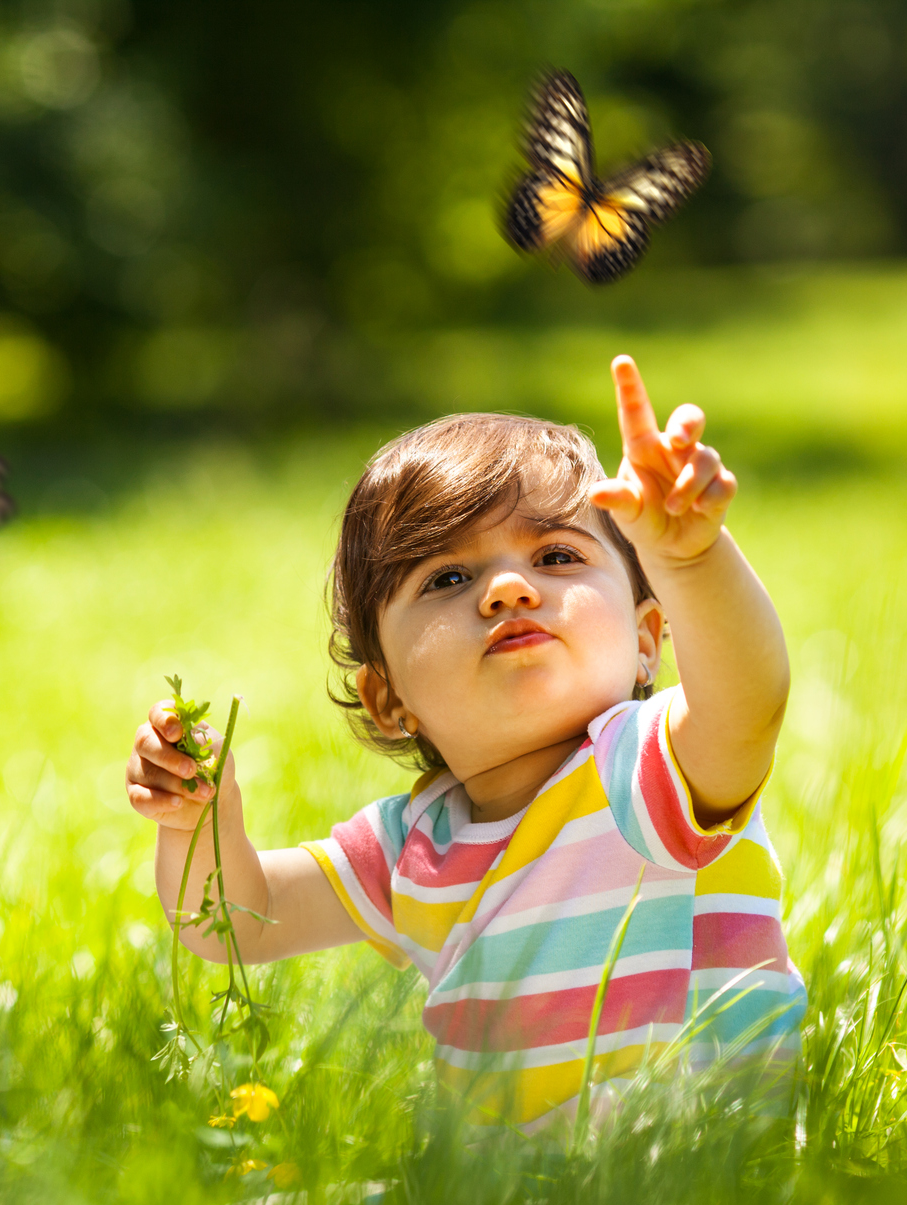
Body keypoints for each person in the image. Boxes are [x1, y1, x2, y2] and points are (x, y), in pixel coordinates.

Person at [125, 356, 804, 1131]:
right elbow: (240, 924)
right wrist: (197, 824)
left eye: (556, 556)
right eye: (447, 579)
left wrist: (689, 559)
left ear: (647, 642)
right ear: (389, 699)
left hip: (681, 1188)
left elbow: (749, 705)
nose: (508, 590)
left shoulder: (646, 770)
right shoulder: (412, 845)